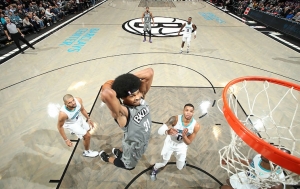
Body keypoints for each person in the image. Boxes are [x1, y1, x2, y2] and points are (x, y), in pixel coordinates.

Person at [99, 68, 154, 170]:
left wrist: (127, 81)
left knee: (126, 147)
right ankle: (107, 158)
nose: (137, 97)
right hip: (133, 149)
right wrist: (117, 84)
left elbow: (149, 73)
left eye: (138, 93)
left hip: (142, 141)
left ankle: (118, 152)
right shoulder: (122, 113)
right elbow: (106, 94)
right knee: (127, 166)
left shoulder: (140, 98)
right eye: (132, 96)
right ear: (123, 97)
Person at [150, 103, 201, 180]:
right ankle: (154, 168)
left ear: (193, 113)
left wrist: (184, 136)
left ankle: (182, 161)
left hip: (182, 146)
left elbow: (188, 142)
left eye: (191, 111)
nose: (188, 112)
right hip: (170, 143)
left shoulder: (196, 126)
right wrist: (167, 132)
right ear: (183, 111)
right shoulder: (174, 119)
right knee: (164, 162)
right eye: (186, 110)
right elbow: (159, 131)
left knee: (180, 167)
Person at [220, 148, 291, 189]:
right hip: (246, 178)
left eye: (273, 154)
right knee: (227, 180)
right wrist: (232, 159)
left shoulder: (277, 179)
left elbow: (277, 187)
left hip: (253, 187)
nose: (268, 151)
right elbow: (250, 162)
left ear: (276, 163)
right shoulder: (259, 157)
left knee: (224, 187)